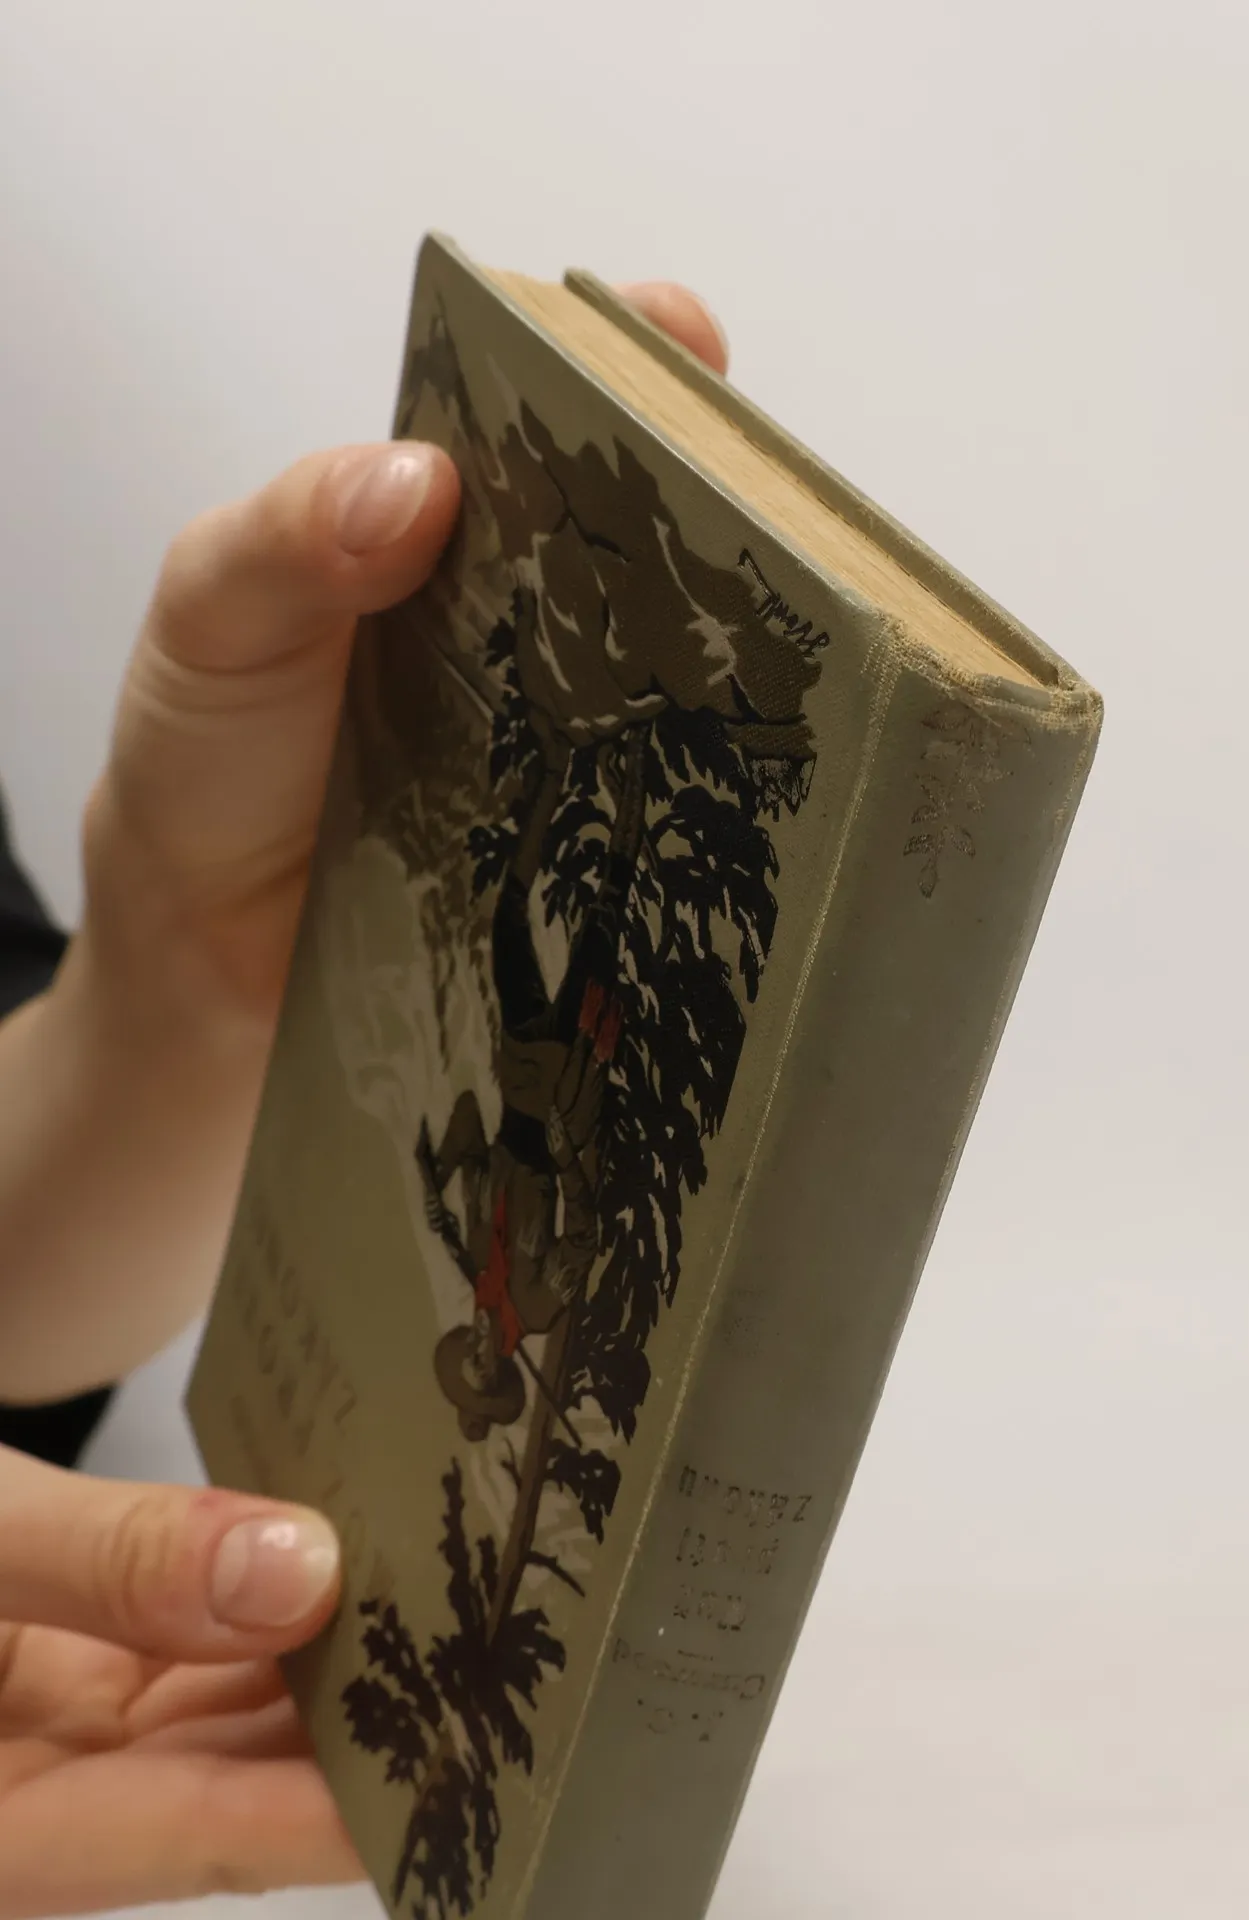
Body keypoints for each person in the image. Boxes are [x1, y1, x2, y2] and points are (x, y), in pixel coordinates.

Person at [0, 282, 730, 1912]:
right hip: (546, 1092)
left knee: (538, 963)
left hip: (528, 1083)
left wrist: (183, 997)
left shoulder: (498, 1270)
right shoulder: (516, 1281)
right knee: (549, 984)